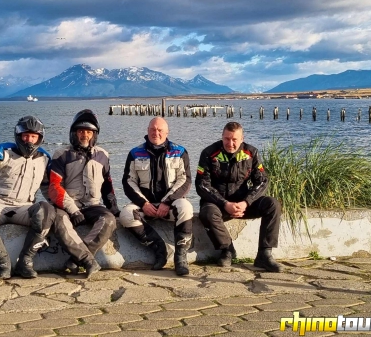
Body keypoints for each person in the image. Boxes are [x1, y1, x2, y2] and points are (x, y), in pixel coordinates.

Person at [0, 116, 55, 279]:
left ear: (40, 138)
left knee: (47, 212)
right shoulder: (4, 151)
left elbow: (47, 187)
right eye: (26, 136)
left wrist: (58, 208)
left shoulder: (45, 158)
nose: (29, 141)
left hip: (24, 207)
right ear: (18, 136)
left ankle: (26, 262)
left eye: (33, 137)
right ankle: (3, 262)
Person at [196, 121, 282, 272]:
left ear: (242, 139)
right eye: (227, 139)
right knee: (207, 212)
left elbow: (262, 181)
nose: (230, 143)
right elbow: (202, 185)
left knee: (272, 204)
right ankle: (227, 250)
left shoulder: (251, 153)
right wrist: (224, 204)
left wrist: (246, 202)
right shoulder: (209, 153)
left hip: (243, 203)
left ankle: (264, 254)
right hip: (217, 204)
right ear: (222, 137)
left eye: (234, 139)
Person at [46, 109, 119, 278]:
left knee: (109, 220)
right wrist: (73, 210)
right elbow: (54, 187)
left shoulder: (103, 155)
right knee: (59, 221)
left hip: (92, 205)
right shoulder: (61, 155)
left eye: (89, 132)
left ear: (94, 134)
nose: (84, 135)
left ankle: (75, 260)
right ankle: (88, 261)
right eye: (81, 131)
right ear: (74, 133)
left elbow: (107, 184)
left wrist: (113, 208)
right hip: (67, 206)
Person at [119, 117, 192, 276]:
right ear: (147, 130)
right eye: (152, 129)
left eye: (160, 130)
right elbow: (128, 181)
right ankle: (159, 250)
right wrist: (144, 203)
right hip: (146, 206)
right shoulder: (135, 153)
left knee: (186, 207)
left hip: (170, 205)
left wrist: (167, 202)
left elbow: (185, 180)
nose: (156, 133)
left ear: (167, 132)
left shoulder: (179, 151)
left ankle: (181, 258)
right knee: (125, 214)